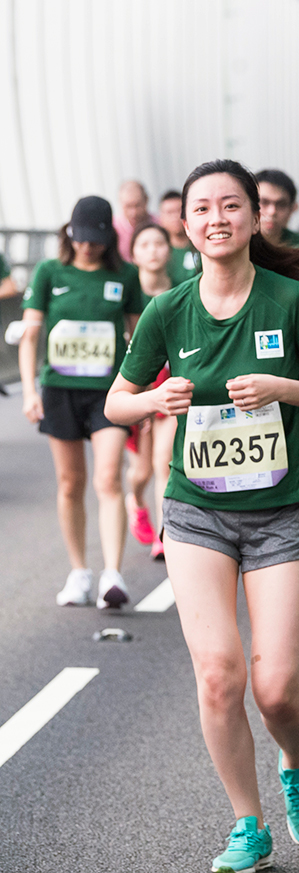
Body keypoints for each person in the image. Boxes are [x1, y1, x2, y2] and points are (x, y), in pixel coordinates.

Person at [104, 159, 299, 873]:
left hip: (281, 512)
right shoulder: (167, 311)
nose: (216, 218)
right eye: (202, 208)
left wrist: (285, 386)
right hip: (198, 511)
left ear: (254, 217)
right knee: (219, 674)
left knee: (275, 689)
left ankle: (296, 759)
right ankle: (247, 822)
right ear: (184, 224)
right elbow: (116, 403)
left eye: (231, 206)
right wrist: (156, 401)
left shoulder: (288, 303)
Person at [18, 195, 144, 609]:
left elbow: (137, 336)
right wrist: (30, 389)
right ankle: (79, 572)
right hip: (60, 389)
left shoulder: (125, 276)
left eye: (97, 239)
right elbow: (31, 334)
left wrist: (139, 389)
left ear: (109, 238)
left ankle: (113, 574)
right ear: (69, 233)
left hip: (108, 393)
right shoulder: (49, 271)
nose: (89, 246)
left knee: (107, 478)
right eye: (82, 238)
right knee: (70, 482)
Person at [124, 222, 177, 557]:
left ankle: (163, 535)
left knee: (164, 461)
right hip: (137, 390)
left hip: (172, 387)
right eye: (145, 244)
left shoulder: (184, 290)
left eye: (159, 243)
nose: (153, 250)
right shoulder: (130, 293)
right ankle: (136, 500)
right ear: (133, 253)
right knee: (141, 471)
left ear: (169, 250)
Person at [256, 169, 299, 247]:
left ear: (293, 208)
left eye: (281, 204)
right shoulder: (237, 245)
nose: (272, 211)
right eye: (264, 202)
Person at [159, 189, 202, 284]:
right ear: (161, 218)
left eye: (179, 211)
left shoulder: (201, 244)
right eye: (169, 212)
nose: (176, 217)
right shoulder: (160, 251)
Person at [113, 180, 152, 261]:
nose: (133, 212)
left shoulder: (159, 224)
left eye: (137, 205)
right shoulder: (114, 228)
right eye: (128, 206)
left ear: (146, 200)